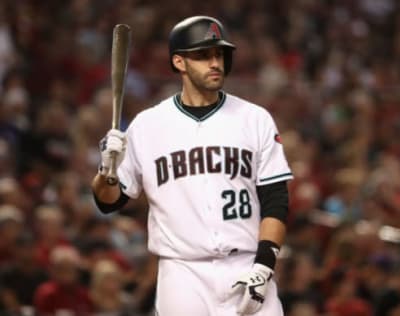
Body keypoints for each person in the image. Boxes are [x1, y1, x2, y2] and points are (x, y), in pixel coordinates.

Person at [91, 15, 293, 316]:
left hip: (247, 264)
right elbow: (109, 202)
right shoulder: (148, 125)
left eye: (219, 54)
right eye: (202, 55)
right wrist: (106, 171)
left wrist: (264, 266)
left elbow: (275, 199)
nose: (215, 62)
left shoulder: (255, 118)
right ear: (179, 62)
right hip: (182, 273)